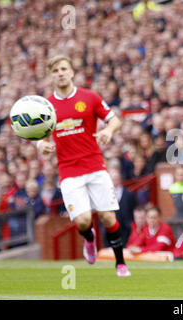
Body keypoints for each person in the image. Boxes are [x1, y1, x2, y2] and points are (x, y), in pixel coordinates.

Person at [38, 55, 130, 277]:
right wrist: (41, 144)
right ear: (51, 76)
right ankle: (89, 239)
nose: (60, 73)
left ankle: (120, 263)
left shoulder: (90, 97)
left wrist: (108, 131)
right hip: (69, 171)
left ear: (71, 72)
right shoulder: (47, 106)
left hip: (95, 165)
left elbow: (114, 119)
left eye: (63, 69)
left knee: (108, 217)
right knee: (83, 220)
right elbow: (40, 135)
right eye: (55, 70)